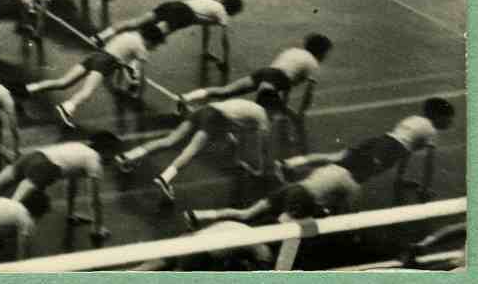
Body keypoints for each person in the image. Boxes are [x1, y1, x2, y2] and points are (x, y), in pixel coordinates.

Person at [0, 135, 119, 242]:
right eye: (113, 154)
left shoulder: (80, 148)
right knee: (11, 208)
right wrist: (97, 228)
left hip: (33, 156)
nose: (114, 158)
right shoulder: (94, 161)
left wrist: (72, 213)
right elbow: (95, 199)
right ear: (106, 151)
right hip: (44, 167)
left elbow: (73, 183)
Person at [117, 95, 279, 201]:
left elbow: (235, 127)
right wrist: (261, 171)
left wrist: (236, 154)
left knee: (170, 140)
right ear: (272, 110)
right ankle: (165, 179)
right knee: (191, 151)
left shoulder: (249, 106)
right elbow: (264, 147)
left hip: (204, 111)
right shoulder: (263, 116)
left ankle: (129, 156)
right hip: (216, 118)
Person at [278, 98, 454, 184]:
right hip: (388, 151)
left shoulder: (413, 119)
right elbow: (428, 164)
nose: (450, 123)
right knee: (352, 177)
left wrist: (400, 178)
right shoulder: (431, 131)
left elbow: (406, 150)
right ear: (439, 117)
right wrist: (425, 188)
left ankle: (291, 163)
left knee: (337, 158)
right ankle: (311, 191)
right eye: (448, 119)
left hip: (379, 141)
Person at [25, 23, 165, 129]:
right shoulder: (141, 49)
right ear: (151, 40)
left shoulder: (129, 35)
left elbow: (121, 56)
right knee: (87, 92)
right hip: (105, 63)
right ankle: (67, 108)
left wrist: (124, 67)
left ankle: (28, 89)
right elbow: (137, 72)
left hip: (94, 56)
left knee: (63, 82)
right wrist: (134, 86)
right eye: (156, 44)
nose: (155, 47)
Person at [178, 33, 332, 111]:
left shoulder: (293, 51)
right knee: (260, 115)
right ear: (321, 52)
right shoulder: (313, 64)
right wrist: (301, 113)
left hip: (264, 73)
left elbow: (286, 77)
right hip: (274, 81)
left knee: (225, 91)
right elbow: (307, 93)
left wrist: (283, 102)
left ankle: (187, 97)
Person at [185, 163, 360, 228]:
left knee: (246, 213)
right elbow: (349, 210)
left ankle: (200, 215)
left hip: (291, 189)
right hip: (302, 197)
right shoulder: (351, 184)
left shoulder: (331, 167)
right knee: (279, 229)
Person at [96, 0, 243, 45]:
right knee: (155, 38)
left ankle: (102, 36)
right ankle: (133, 65)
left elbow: (206, 29)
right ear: (232, 10)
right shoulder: (222, 13)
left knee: (136, 22)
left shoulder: (208, 2)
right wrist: (225, 60)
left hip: (173, 5)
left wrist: (205, 51)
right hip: (183, 15)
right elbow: (224, 40)